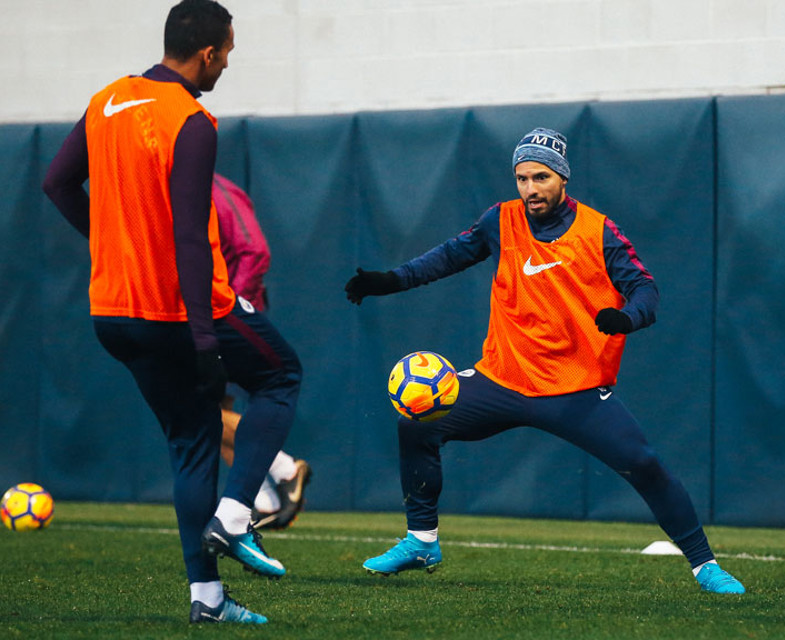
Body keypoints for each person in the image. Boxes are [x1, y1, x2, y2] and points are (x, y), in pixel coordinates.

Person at [344, 128, 745, 595]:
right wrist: (390, 281)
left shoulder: (598, 230)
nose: (530, 189)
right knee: (417, 423)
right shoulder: (501, 219)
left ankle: (705, 565)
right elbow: (449, 257)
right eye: (521, 178)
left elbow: (646, 289)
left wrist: (626, 318)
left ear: (562, 178)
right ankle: (421, 541)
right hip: (502, 376)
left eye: (540, 177)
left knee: (644, 463)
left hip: (574, 387)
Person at [42, 0, 302, 625]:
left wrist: (105, 243)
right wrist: (206, 337)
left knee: (193, 441)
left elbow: (56, 183)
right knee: (280, 376)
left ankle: (207, 601)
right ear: (208, 52)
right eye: (229, 51)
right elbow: (190, 236)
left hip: (112, 313)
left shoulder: (106, 100)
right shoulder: (192, 119)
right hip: (175, 309)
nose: (228, 62)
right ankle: (237, 516)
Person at [212, 173, 312, 530]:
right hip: (202, 312)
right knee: (214, 413)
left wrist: (229, 309)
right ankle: (263, 504)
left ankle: (285, 472)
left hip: (222, 313)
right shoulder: (172, 189)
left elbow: (253, 249)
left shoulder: (213, 188)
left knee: (200, 412)